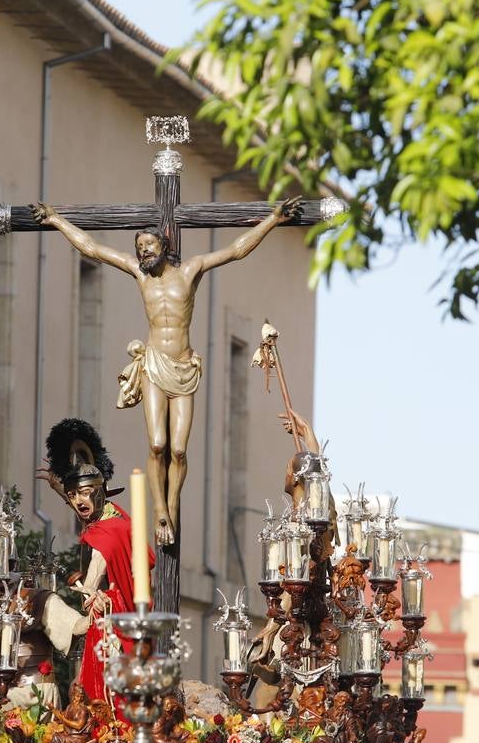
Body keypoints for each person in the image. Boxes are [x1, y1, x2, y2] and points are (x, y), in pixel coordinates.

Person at [30, 198, 302, 545]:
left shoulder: (190, 271)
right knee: (158, 444)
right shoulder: (139, 275)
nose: (143, 251)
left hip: (184, 367)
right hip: (155, 364)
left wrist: (273, 219)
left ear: (165, 245)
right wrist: (56, 220)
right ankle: (160, 509)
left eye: (149, 245)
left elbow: (236, 250)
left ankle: (171, 505)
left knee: (179, 451)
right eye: (139, 247)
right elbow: (93, 249)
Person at [38, 418, 154, 703]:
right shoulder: (111, 514)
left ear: (99, 492)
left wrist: (90, 594)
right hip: (114, 615)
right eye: (72, 496)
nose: (78, 501)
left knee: (102, 694)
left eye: (84, 494)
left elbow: (93, 576)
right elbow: (87, 511)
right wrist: (59, 487)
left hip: (113, 617)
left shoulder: (107, 535)